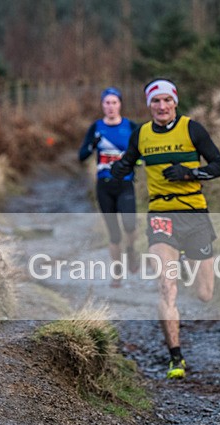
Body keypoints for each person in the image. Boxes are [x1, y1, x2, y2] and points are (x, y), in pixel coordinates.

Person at [111, 79, 220, 379]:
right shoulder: (142, 134)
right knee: (166, 286)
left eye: (166, 100)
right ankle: (176, 358)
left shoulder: (192, 129)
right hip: (161, 214)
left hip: (194, 213)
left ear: (174, 101)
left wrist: (191, 172)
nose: (162, 107)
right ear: (149, 105)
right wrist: (120, 169)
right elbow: (127, 161)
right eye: (155, 102)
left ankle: (186, 263)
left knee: (204, 294)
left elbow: (219, 166)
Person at [79, 87, 140, 288]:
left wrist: (137, 161)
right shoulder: (96, 128)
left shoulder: (131, 126)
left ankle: (131, 248)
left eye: (114, 102)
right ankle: (117, 274)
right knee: (114, 233)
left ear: (120, 104)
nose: (111, 106)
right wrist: (92, 145)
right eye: (107, 103)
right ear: (102, 105)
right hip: (104, 186)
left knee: (130, 225)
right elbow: (82, 156)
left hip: (125, 184)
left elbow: (142, 152)